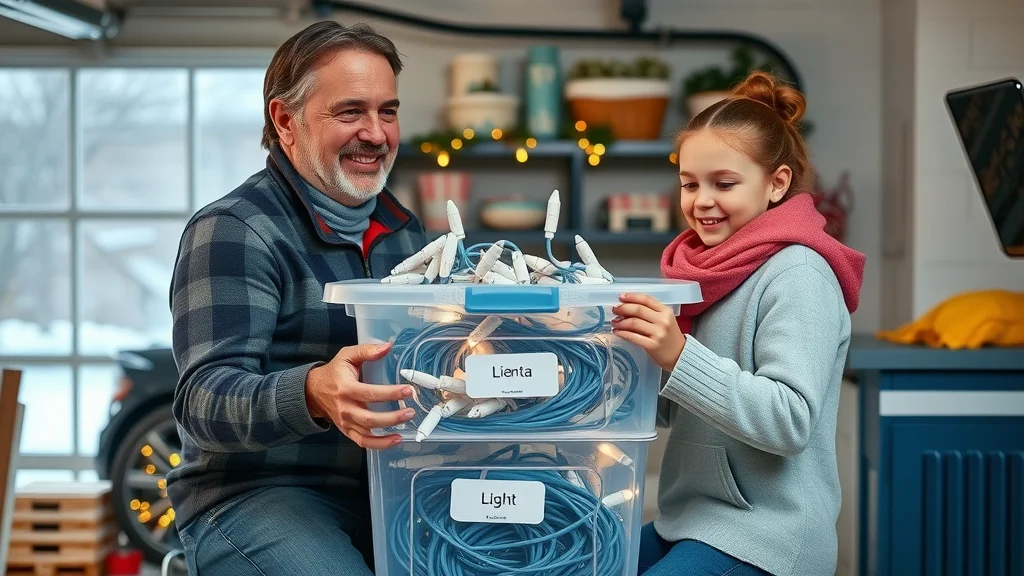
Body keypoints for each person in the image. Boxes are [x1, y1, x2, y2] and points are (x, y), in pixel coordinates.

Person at [165, 21, 426, 576]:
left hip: (391, 489)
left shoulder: (409, 237)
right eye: (350, 112)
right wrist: (311, 391)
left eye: (387, 111)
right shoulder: (236, 230)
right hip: (253, 496)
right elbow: (203, 401)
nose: (376, 134)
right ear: (285, 121)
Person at [612, 71, 866, 576]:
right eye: (689, 184)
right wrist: (608, 370)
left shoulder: (800, 275)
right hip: (688, 520)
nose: (701, 200)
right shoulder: (706, 269)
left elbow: (790, 420)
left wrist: (679, 357)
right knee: (582, 558)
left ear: (777, 183)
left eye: (723, 183)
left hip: (766, 536)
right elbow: (672, 413)